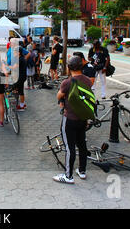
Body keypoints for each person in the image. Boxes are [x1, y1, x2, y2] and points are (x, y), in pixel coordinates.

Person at [53, 56, 93, 184]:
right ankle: (82, 171)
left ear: (69, 67)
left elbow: (59, 95)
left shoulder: (67, 82)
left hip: (69, 118)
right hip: (83, 118)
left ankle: (68, 176)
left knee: (70, 148)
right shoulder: (87, 81)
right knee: (82, 145)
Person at [7, 47, 28, 111]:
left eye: (15, 52)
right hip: (22, 76)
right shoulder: (21, 58)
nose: (13, 53)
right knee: (21, 91)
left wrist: (6, 66)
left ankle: (21, 106)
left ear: (19, 53)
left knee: (15, 89)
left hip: (20, 77)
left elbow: (14, 67)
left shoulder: (20, 59)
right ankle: (23, 104)